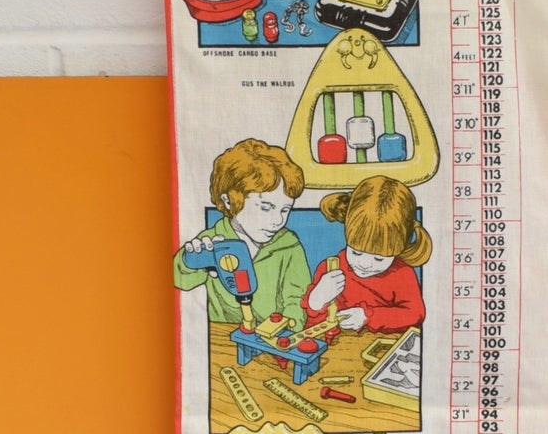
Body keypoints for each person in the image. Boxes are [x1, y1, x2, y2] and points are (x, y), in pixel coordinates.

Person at [173, 138, 310, 324]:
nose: (278, 220)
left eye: (285, 210)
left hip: (275, 337)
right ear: (229, 201)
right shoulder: (212, 242)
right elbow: (180, 280)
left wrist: (289, 324)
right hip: (225, 336)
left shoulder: (289, 245)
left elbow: (297, 298)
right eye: (266, 207)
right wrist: (189, 260)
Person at [303, 175, 430, 333]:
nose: (365, 264)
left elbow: (415, 314)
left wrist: (368, 316)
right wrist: (316, 300)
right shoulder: (330, 269)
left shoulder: (402, 274)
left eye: (378, 258)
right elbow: (312, 329)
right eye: (356, 253)